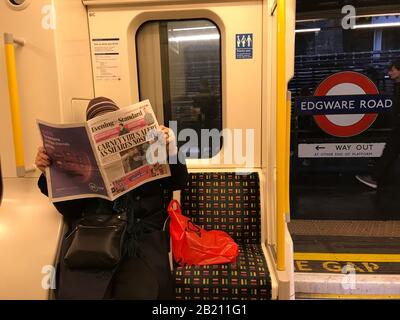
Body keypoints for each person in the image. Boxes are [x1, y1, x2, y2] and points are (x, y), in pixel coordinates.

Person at [35, 96, 188, 299]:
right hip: (94, 236)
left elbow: (178, 182)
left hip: (140, 238)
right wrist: (49, 171)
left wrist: (170, 148)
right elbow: (70, 211)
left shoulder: (151, 147)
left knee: (141, 290)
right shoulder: (83, 163)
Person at [356, 60, 400, 189]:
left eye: (392, 70)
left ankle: (374, 178)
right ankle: (374, 177)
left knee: (390, 151)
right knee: (390, 151)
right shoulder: (396, 86)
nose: (389, 73)